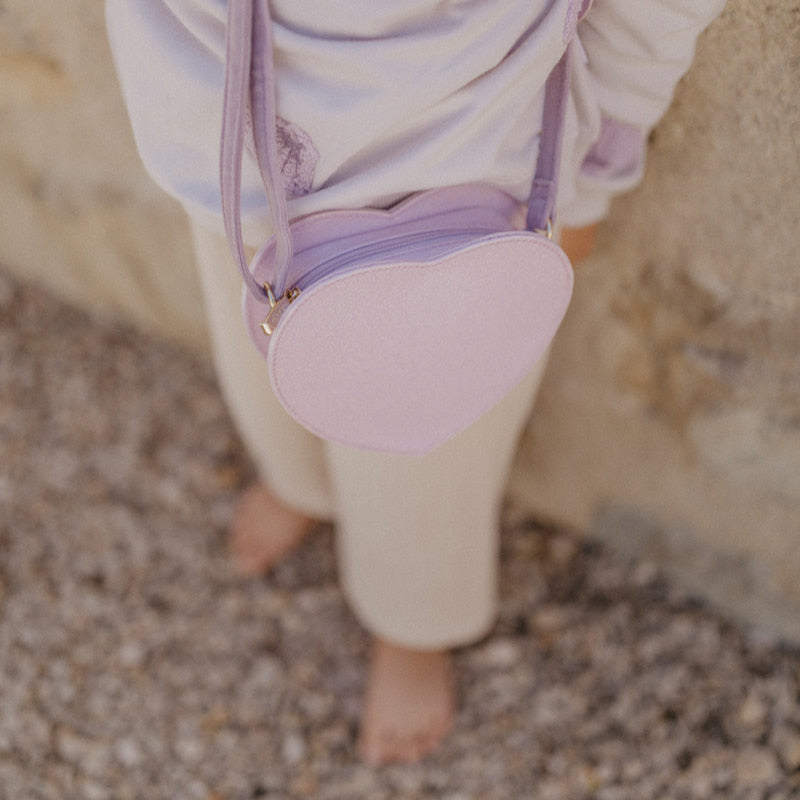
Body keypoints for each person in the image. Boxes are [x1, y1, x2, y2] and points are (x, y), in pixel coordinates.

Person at [105, 0, 726, 765]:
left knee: (431, 466)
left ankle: (410, 620)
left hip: (469, 195)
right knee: (264, 355)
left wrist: (596, 169)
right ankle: (301, 478)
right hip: (234, 145)